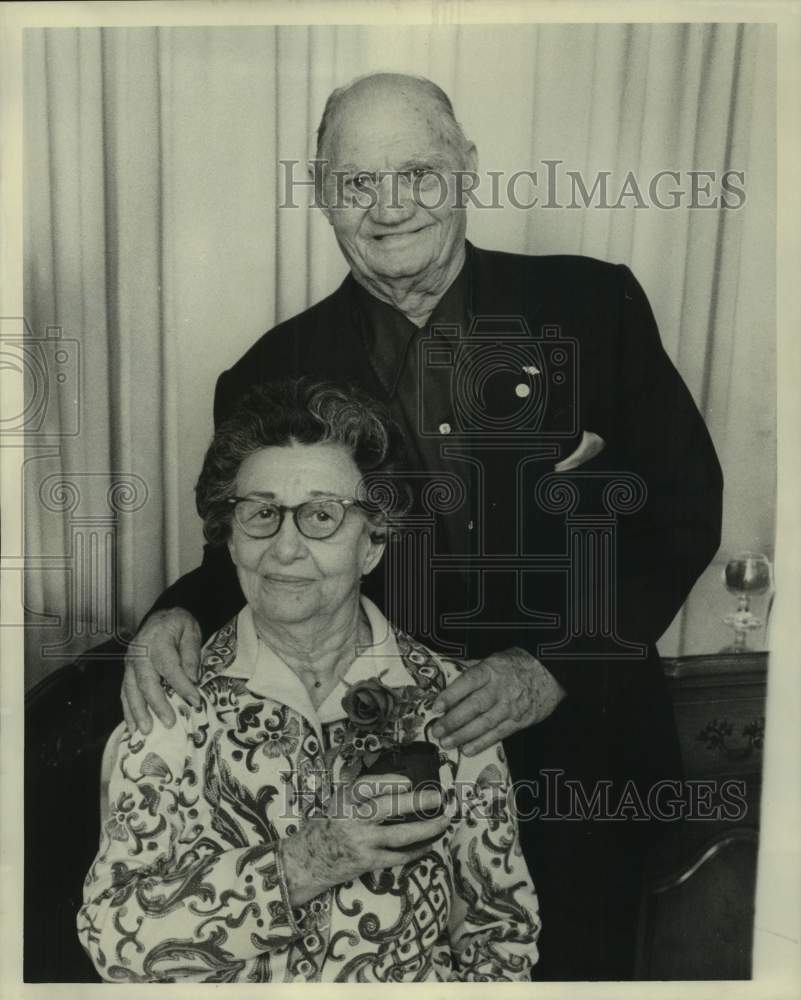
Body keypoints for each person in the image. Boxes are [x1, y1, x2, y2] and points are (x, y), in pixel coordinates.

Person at [119, 73, 723, 979]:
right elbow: (249, 551)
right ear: (323, 195)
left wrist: (553, 665)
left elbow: (681, 509)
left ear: (467, 171)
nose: (389, 207)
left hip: (584, 769)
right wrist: (170, 614)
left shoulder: (594, 308)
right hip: (390, 792)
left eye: (418, 174)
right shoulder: (266, 369)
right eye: (358, 183)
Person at [78, 380, 540, 983]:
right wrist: (301, 864)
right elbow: (111, 936)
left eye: (322, 515)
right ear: (232, 538)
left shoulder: (450, 698)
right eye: (262, 514)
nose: (287, 548)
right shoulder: (173, 700)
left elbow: (501, 931)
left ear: (372, 542)